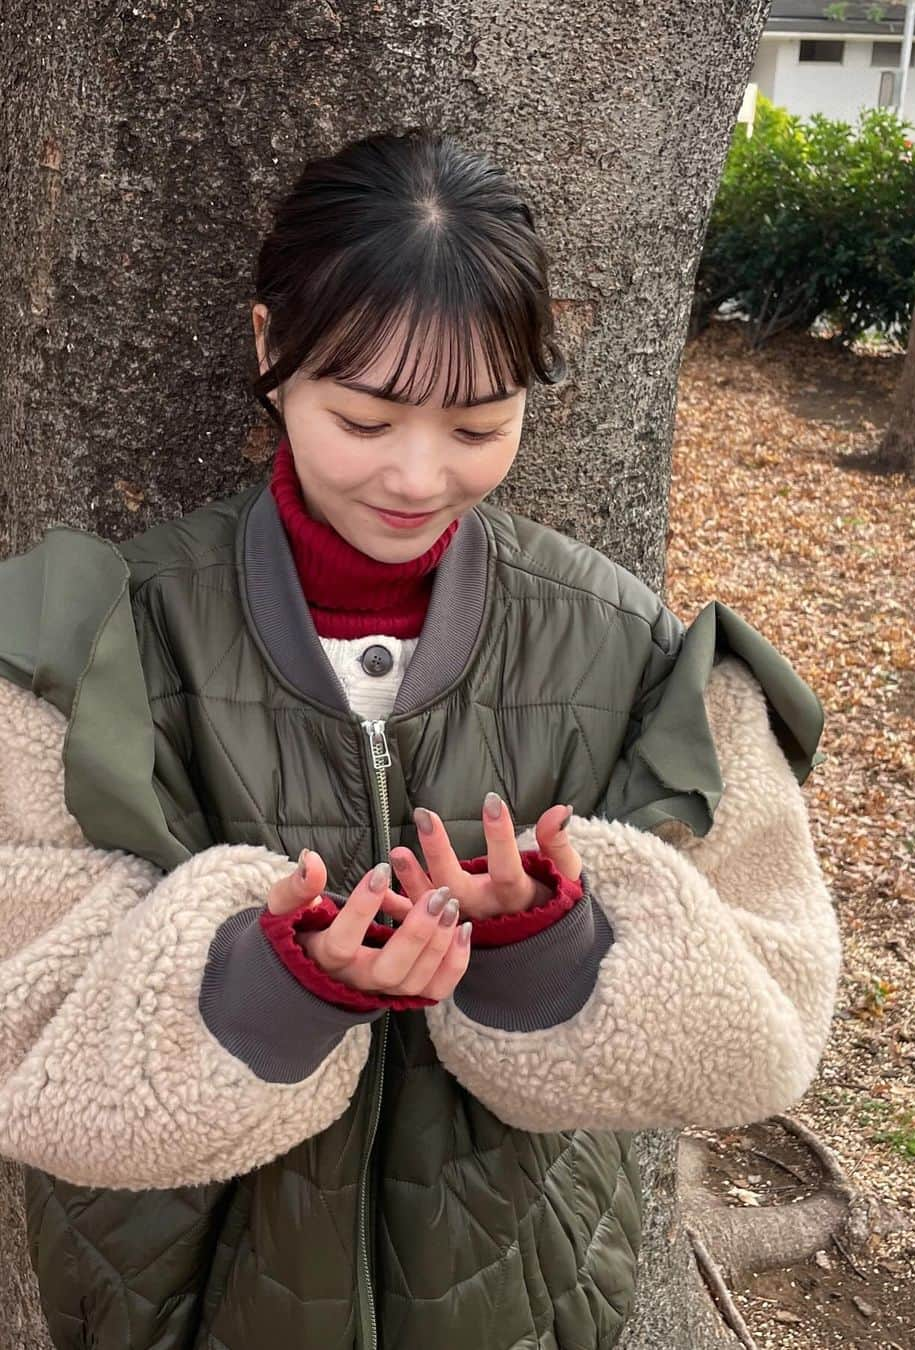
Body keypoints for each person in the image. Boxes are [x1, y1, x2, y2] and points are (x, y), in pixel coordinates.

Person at [0, 128, 843, 1350]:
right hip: (172, 1300)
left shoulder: (640, 657)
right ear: (268, 352)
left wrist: (549, 950)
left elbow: (769, 1024)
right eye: (364, 416)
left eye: (477, 425)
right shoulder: (82, 649)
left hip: (523, 1296)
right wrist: (274, 987)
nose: (416, 475)